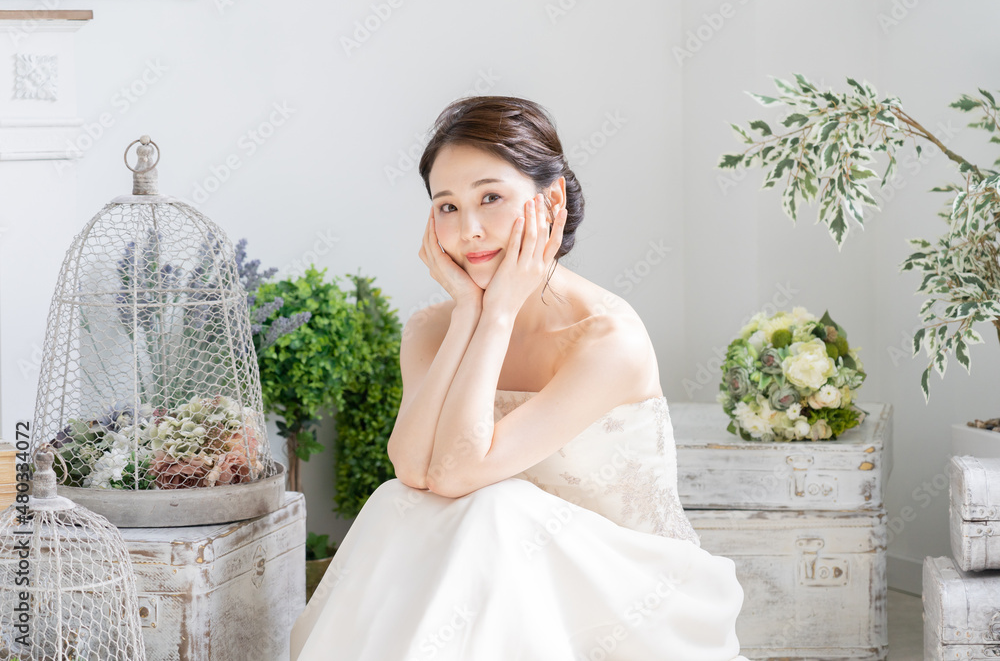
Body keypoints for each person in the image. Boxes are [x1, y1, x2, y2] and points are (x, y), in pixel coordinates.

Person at [289, 96, 749, 660]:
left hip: (627, 592)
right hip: (500, 581)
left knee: (494, 507)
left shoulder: (608, 339)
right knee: (398, 501)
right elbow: (411, 468)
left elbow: (457, 473)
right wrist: (469, 314)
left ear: (551, 201)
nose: (469, 230)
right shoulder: (430, 330)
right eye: (447, 206)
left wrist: (499, 312)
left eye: (491, 197)